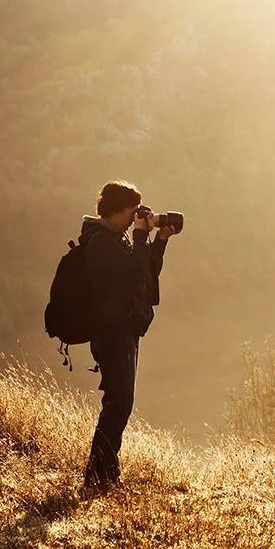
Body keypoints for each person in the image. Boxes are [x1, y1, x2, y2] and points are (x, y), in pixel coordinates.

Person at [79, 180, 176, 497]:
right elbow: (134, 274)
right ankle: (99, 479)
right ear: (116, 211)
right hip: (112, 332)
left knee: (120, 404)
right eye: (132, 211)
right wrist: (140, 235)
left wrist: (160, 240)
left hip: (124, 330)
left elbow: (145, 276)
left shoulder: (115, 239)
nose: (137, 217)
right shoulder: (100, 243)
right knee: (118, 404)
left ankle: (103, 477)